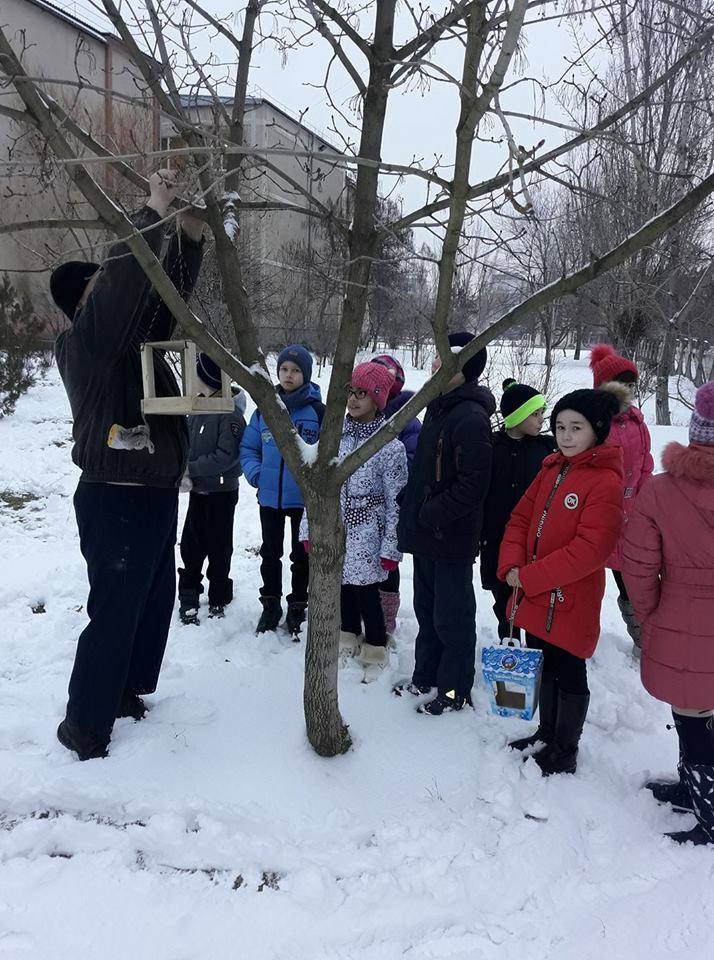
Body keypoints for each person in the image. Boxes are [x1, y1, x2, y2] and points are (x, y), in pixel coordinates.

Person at [51, 169, 205, 760]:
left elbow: (158, 308)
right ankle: (85, 725)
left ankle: (125, 692)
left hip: (150, 491)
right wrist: (148, 214)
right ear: (83, 302)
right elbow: (123, 289)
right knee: (115, 608)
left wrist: (188, 238)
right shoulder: (85, 346)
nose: (117, 289)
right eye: (100, 286)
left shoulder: (127, 343)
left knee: (150, 600)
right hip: (113, 493)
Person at [497, 389, 623, 775]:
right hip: (536, 596)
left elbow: (590, 550)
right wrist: (512, 565)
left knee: (568, 670)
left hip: (570, 600)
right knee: (545, 665)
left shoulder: (604, 483)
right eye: (560, 427)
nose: (565, 436)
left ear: (597, 431)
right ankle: (546, 733)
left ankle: (564, 748)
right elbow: (520, 519)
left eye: (576, 428)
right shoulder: (551, 468)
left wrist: (530, 578)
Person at [622, 381, 714, 845]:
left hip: (681, 614)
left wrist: (652, 613)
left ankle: (709, 813)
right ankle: (694, 788)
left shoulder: (660, 491)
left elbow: (638, 567)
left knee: (692, 711)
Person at [395, 332, 495, 716]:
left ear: (463, 371)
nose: (434, 364)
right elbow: (429, 471)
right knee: (426, 607)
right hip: (426, 533)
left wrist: (431, 511)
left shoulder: (470, 417)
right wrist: (411, 501)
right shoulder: (438, 406)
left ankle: (454, 691)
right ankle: (426, 676)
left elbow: (473, 485)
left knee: (451, 616)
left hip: (450, 535)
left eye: (443, 360)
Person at [301, 362, 408, 676]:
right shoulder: (335, 437)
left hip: (369, 532)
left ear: (377, 399)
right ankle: (347, 633)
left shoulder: (389, 447)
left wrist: (391, 547)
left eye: (363, 394)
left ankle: (375, 645)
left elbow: (395, 501)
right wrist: (310, 528)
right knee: (342, 586)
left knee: (366, 592)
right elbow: (317, 487)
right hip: (337, 528)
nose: (354, 400)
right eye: (352, 392)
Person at [240, 344, 323, 636]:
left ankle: (298, 604)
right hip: (270, 499)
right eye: (284, 369)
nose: (289, 375)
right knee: (270, 553)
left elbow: (327, 453)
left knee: (301, 557)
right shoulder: (266, 408)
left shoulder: (317, 412)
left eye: (296, 370)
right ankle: (271, 604)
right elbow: (249, 448)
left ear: (307, 375)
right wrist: (257, 475)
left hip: (302, 501)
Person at [480, 380, 556, 640]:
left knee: (533, 598)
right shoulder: (490, 446)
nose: (540, 419)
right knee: (504, 600)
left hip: (535, 543)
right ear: (518, 415)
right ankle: (508, 647)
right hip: (496, 539)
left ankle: (536, 651)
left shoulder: (547, 448)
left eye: (541, 413)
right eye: (535, 413)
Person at [590, 344, 654, 649]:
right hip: (596, 515)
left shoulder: (638, 423)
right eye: (621, 385)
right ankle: (580, 635)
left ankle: (644, 638)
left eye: (631, 385)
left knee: (632, 580)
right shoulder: (593, 422)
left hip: (631, 516)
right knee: (586, 580)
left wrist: (645, 502)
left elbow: (645, 465)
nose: (627, 391)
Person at [177, 353, 247, 625]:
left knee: (219, 546)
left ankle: (219, 594)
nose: (192, 383)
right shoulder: (196, 410)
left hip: (221, 493)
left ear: (211, 380)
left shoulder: (229, 413)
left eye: (197, 377)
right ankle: (189, 591)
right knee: (192, 545)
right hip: (198, 491)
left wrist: (190, 468)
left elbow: (226, 455)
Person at [370, 354, 422, 636]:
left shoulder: (407, 422)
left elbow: (412, 462)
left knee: (388, 561)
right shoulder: (359, 414)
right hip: (361, 507)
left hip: (392, 505)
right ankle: (363, 607)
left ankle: (387, 613)